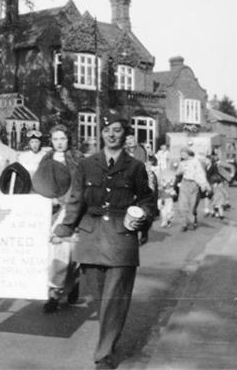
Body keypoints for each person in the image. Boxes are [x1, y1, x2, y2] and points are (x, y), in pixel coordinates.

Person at [53, 110, 155, 370]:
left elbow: (146, 200)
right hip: (91, 237)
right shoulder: (87, 165)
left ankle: (104, 355)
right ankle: (108, 340)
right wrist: (64, 229)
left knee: (115, 299)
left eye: (117, 130)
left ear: (125, 135)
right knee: (102, 301)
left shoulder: (135, 167)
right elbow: (76, 199)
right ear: (101, 133)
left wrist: (143, 215)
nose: (111, 134)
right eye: (107, 130)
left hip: (122, 238)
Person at [37, 124, 83, 313]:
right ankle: (54, 294)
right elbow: (40, 183)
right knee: (56, 250)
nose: (59, 143)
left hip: (73, 208)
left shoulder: (77, 159)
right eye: (55, 139)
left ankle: (72, 284)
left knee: (72, 251)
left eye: (62, 138)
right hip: (54, 210)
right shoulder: (46, 159)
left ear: (68, 139)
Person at [175, 148, 211, 232]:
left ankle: (191, 222)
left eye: (183, 154)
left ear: (188, 154)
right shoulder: (182, 163)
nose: (182, 155)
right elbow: (177, 173)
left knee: (192, 204)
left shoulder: (196, 162)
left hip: (193, 184)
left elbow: (200, 174)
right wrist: (180, 170)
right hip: (184, 183)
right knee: (182, 205)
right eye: (181, 154)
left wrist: (203, 185)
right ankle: (184, 223)